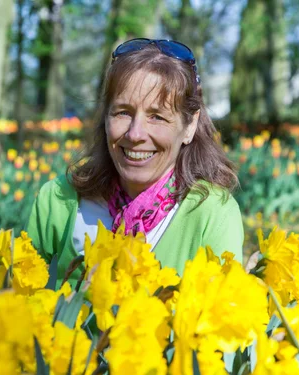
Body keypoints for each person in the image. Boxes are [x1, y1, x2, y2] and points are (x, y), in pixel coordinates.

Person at [26, 38, 244, 283]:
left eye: (157, 117)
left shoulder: (212, 215)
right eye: (123, 112)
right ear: (105, 117)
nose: (135, 134)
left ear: (189, 125)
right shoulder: (57, 201)